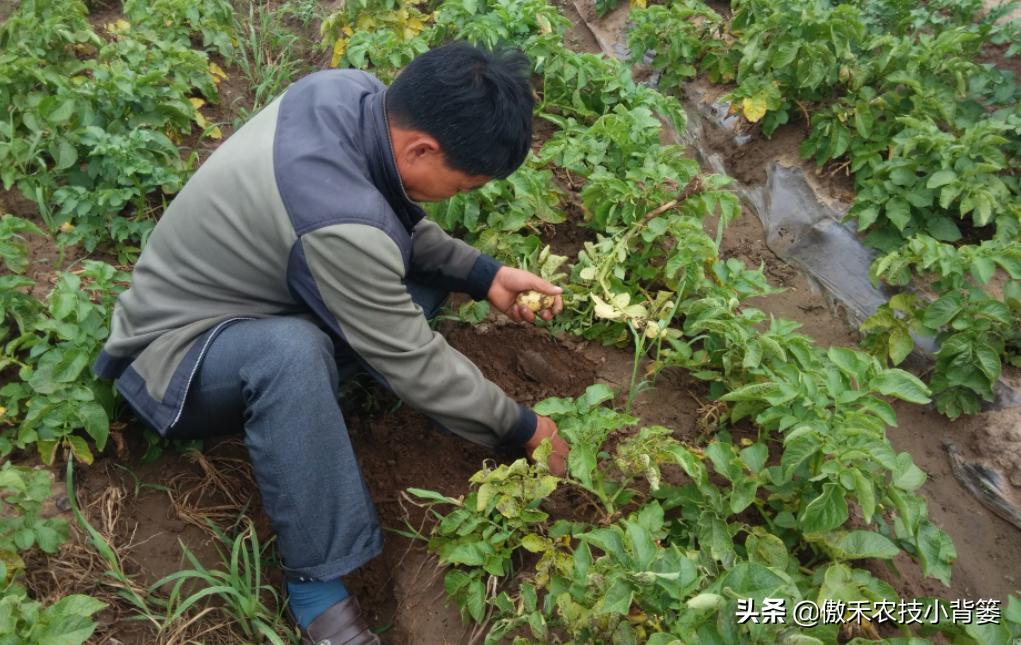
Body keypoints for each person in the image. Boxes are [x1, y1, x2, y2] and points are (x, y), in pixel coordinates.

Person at [92, 43, 570, 644]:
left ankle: (310, 394)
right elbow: (413, 359)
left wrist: (484, 275)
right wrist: (524, 429)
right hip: (174, 358)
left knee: (410, 292)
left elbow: (390, 222)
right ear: (422, 148)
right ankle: (317, 589)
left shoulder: (349, 94)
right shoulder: (337, 219)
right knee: (292, 353)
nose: (460, 197)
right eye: (463, 184)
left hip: (255, 292)